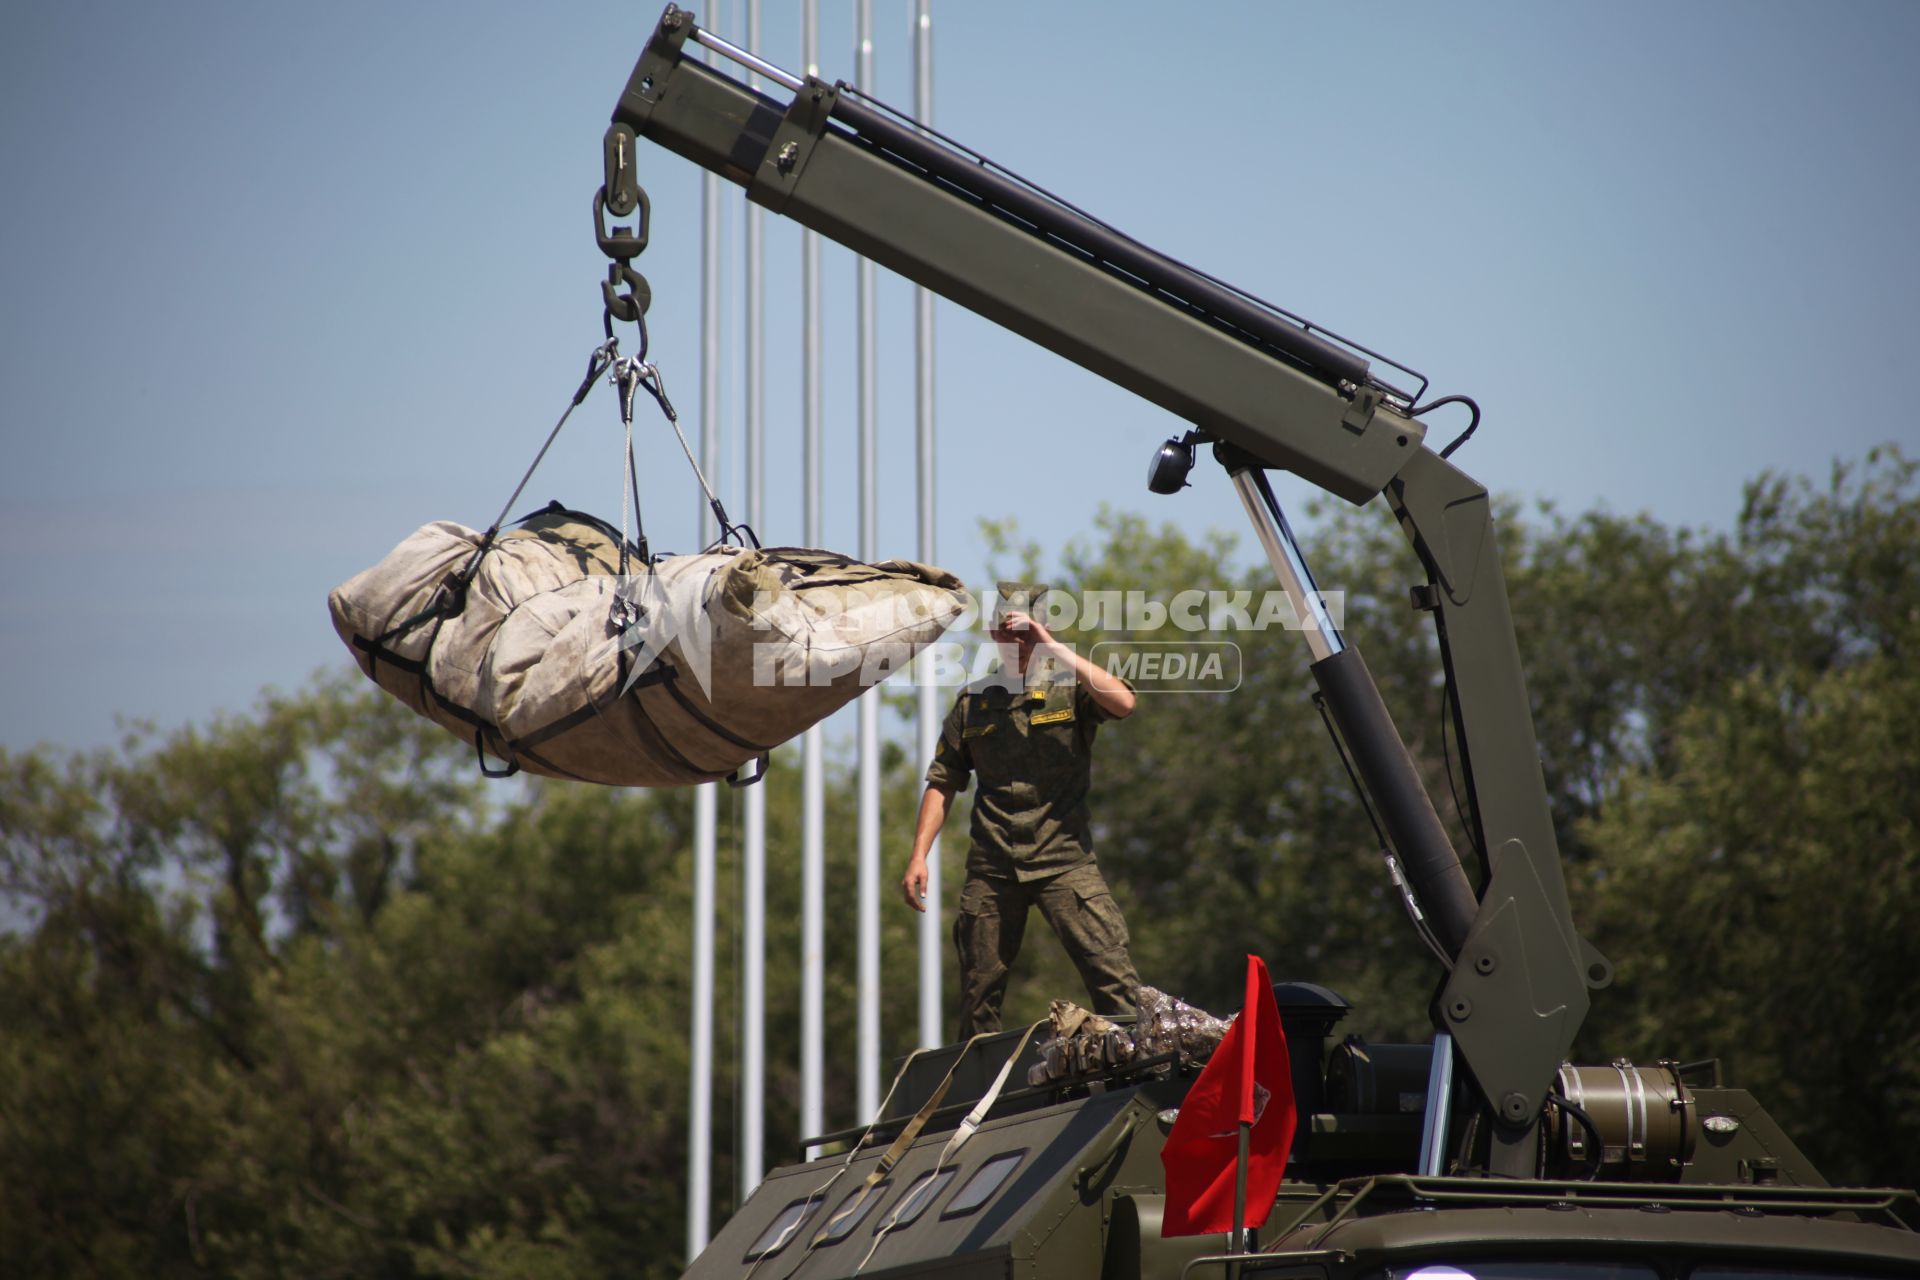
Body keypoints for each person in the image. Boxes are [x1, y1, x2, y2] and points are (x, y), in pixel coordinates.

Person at [899, 583, 1141, 1039]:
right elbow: (943, 780)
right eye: (1008, 633)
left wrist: (1051, 647)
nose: (1018, 644)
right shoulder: (975, 701)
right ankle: (981, 1102)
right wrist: (918, 856)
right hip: (993, 864)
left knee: (1113, 978)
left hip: (1064, 859)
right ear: (993, 633)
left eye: (1026, 634)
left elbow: (1124, 702)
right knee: (978, 992)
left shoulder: (1071, 688)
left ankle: (1142, 1077)